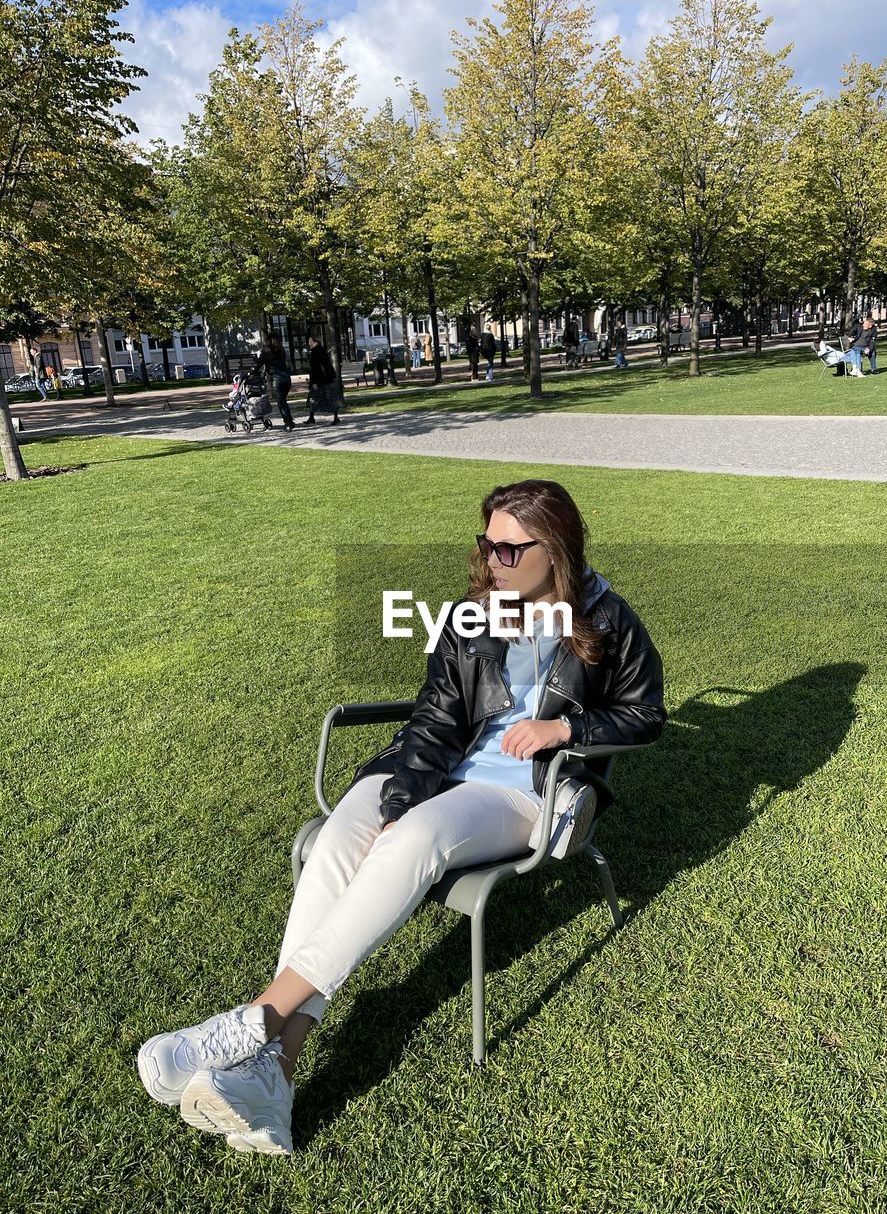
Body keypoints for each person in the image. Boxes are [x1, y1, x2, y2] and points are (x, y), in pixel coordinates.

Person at [137, 479, 666, 1156]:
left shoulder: (606, 617)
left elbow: (646, 714)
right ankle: (275, 1070)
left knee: (416, 838)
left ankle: (256, 1022)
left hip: (522, 794)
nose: (494, 561)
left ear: (555, 549)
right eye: (488, 545)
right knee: (339, 839)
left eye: (511, 549)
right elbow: (436, 721)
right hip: (438, 770)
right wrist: (401, 794)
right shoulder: (473, 614)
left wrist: (565, 732)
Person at [256, 334, 295, 429]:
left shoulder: (266, 351)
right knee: (283, 401)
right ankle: (289, 420)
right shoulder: (281, 350)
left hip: (277, 380)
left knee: (281, 403)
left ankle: (288, 422)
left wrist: (253, 372)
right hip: (287, 379)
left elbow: (258, 364)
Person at [305, 333, 341, 425]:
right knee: (327, 397)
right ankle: (312, 417)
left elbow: (315, 369)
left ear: (315, 342)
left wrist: (314, 382)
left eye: (310, 341)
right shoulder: (321, 350)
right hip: (326, 378)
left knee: (318, 398)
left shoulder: (316, 352)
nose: (308, 343)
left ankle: (333, 417)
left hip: (321, 380)